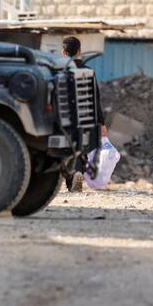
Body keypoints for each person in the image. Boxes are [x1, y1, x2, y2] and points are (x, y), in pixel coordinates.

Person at [61, 36, 107, 192]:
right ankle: (78, 173)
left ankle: (70, 179)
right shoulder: (88, 72)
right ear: (80, 51)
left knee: (66, 148)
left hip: (64, 117)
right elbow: (95, 98)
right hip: (85, 116)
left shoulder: (60, 71)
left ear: (63, 52)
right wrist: (101, 122)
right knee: (82, 146)